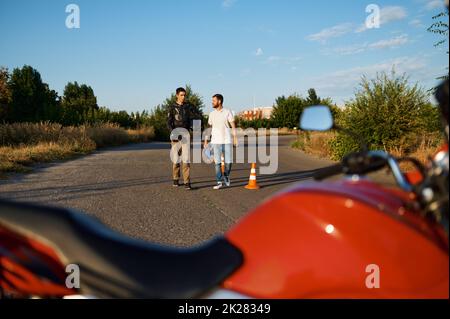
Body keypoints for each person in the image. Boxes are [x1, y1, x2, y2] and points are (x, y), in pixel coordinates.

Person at [204, 94, 238, 190]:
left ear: (219, 101)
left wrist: (235, 137)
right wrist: (206, 140)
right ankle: (219, 182)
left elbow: (233, 125)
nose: (212, 102)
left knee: (228, 162)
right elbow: (209, 128)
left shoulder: (227, 112)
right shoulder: (211, 114)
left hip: (227, 141)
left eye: (214, 100)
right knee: (217, 163)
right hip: (215, 141)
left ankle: (226, 175)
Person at [167, 87, 192, 190]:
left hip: (186, 135)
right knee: (176, 159)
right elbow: (169, 122)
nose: (183, 97)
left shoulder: (187, 107)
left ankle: (187, 182)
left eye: (184, 95)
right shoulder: (172, 107)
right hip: (175, 135)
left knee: (186, 159)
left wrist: (192, 129)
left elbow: (191, 119)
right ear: (177, 95)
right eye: (181, 95)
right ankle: (176, 179)